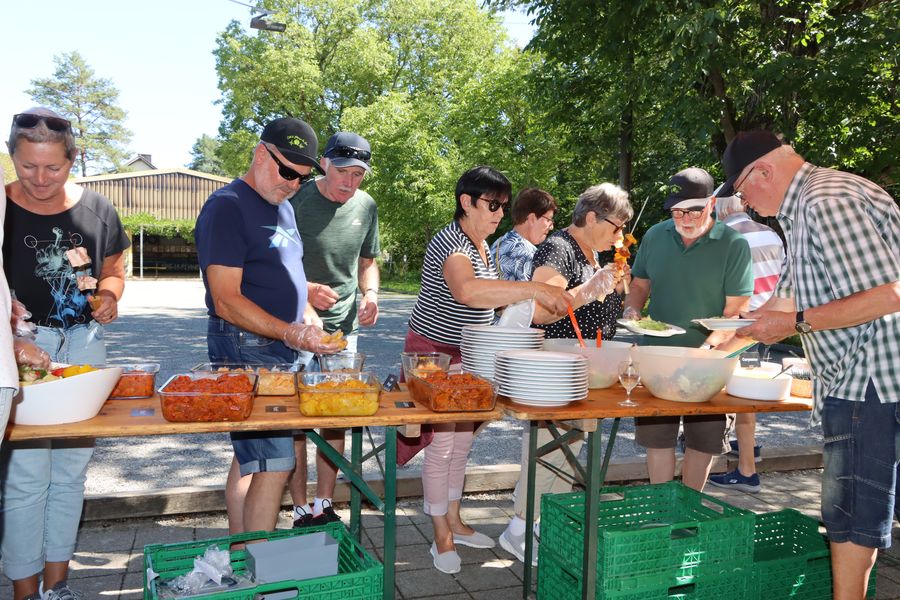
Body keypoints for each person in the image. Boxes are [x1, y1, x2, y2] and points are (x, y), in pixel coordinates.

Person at [720, 130, 899, 600]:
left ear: (764, 171)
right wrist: (747, 324)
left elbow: (889, 294)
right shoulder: (804, 211)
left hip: (871, 379)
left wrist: (795, 322)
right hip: (858, 378)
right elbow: (787, 298)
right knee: (852, 515)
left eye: (742, 191)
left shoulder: (825, 200)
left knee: (851, 517)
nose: (748, 204)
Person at [402, 166, 573, 574]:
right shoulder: (453, 244)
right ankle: (440, 531)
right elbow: (467, 291)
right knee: (443, 447)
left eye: (503, 205)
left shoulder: (482, 244)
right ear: (467, 202)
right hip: (434, 356)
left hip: (469, 356)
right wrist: (534, 289)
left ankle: (455, 520)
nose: (500, 213)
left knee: (462, 444)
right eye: (492, 204)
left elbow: (493, 302)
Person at [1, 107, 130, 600]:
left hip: (83, 348)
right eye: (27, 165)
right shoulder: (0, 209)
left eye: (52, 167)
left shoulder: (97, 210)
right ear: (12, 156)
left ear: (72, 161)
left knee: (71, 473)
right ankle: (24, 590)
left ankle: (58, 586)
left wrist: (111, 296)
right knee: (27, 476)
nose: (38, 178)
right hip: (20, 351)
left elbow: (116, 267)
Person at [194, 117, 344, 539]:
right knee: (276, 463)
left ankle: (241, 556)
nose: (295, 183)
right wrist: (289, 330)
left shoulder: (283, 206)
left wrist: (306, 295)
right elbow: (225, 298)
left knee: (251, 457)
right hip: (247, 345)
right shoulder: (227, 205)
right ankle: (257, 569)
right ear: (262, 154)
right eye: (287, 172)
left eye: (303, 176)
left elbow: (278, 266)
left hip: (281, 345)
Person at [498, 183, 632, 565]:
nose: (620, 235)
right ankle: (518, 528)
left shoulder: (592, 252)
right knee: (550, 448)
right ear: (591, 218)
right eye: (616, 226)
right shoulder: (559, 248)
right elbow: (541, 312)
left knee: (565, 449)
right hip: (556, 367)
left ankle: (538, 523)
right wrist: (589, 289)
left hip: (582, 367)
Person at [623, 167, 752, 492]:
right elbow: (639, 284)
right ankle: (662, 509)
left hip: (711, 364)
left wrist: (705, 352)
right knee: (658, 440)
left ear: (711, 203)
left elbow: (734, 313)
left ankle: (688, 509)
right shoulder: (655, 236)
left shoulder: (733, 245)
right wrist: (632, 308)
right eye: (678, 210)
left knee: (703, 442)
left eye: (693, 209)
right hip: (658, 359)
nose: (685, 217)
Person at [287, 132, 380, 528]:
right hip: (294, 325)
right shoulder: (295, 200)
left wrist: (371, 293)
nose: (350, 182)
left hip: (344, 329)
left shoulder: (367, 206)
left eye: (358, 174)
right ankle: (298, 505)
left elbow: (367, 261)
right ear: (323, 164)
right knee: (294, 420)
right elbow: (276, 263)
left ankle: (324, 503)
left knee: (335, 414)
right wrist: (306, 292)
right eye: (343, 172)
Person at [707, 192, 785, 494]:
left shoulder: (723, 237)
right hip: (771, 322)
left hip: (738, 326)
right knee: (748, 395)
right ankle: (748, 450)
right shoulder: (770, 234)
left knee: (740, 399)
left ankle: (747, 470)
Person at [490, 187, 557, 281]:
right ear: (532, 218)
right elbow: (534, 295)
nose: (551, 227)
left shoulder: (498, 243)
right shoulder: (527, 254)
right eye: (548, 219)